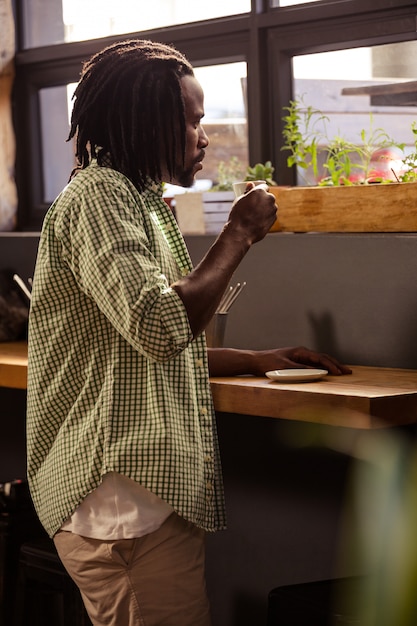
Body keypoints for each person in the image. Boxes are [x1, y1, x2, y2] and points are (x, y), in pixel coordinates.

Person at [26, 39, 351, 626]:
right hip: (119, 501)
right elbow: (157, 325)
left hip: (137, 494)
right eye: (192, 119)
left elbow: (153, 346)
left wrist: (256, 360)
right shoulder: (100, 198)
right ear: (145, 119)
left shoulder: (140, 201)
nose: (204, 136)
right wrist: (239, 234)